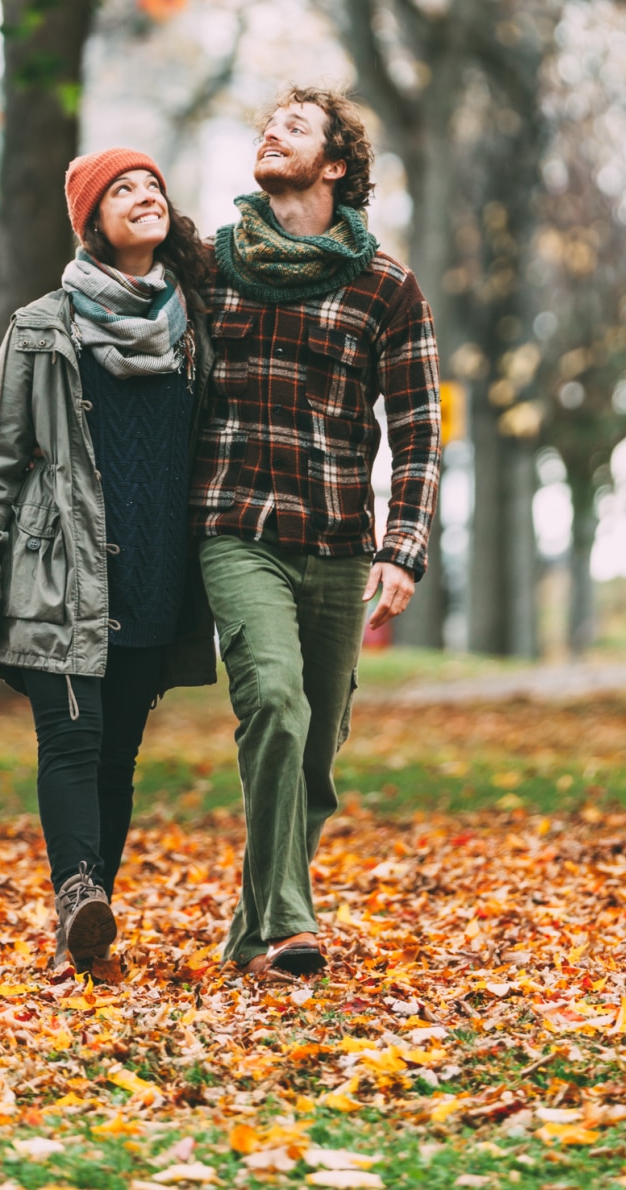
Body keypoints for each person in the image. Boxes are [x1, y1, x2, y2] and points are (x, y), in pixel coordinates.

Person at [192, 86, 442, 979]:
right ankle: (294, 923)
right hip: (234, 526)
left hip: (337, 541)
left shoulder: (385, 286)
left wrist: (402, 546)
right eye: (268, 125)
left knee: (318, 753)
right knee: (276, 704)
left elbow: (417, 428)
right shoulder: (211, 263)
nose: (271, 132)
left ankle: (250, 930)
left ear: (335, 166)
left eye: (294, 128)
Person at [0, 149, 217, 976]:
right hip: (61, 572)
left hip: (156, 574)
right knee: (73, 740)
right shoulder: (42, 326)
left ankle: (86, 922)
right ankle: (77, 898)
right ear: (92, 223)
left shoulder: (194, 326)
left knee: (119, 755)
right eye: (122, 190)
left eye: (153, 186)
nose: (145, 196)